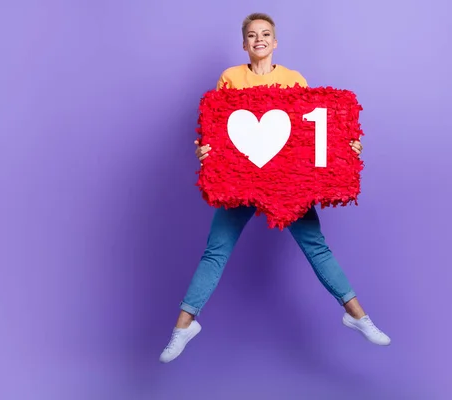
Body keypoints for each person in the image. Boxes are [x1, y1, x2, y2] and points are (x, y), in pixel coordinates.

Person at [160, 12, 390, 363]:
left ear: (275, 42)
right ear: (244, 44)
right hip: (243, 182)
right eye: (252, 35)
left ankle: (358, 317)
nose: (259, 40)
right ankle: (182, 327)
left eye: (265, 34)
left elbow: (310, 134)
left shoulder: (294, 80)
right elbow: (218, 130)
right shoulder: (230, 78)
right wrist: (204, 149)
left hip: (285, 186)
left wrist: (345, 147)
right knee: (216, 250)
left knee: (316, 246)